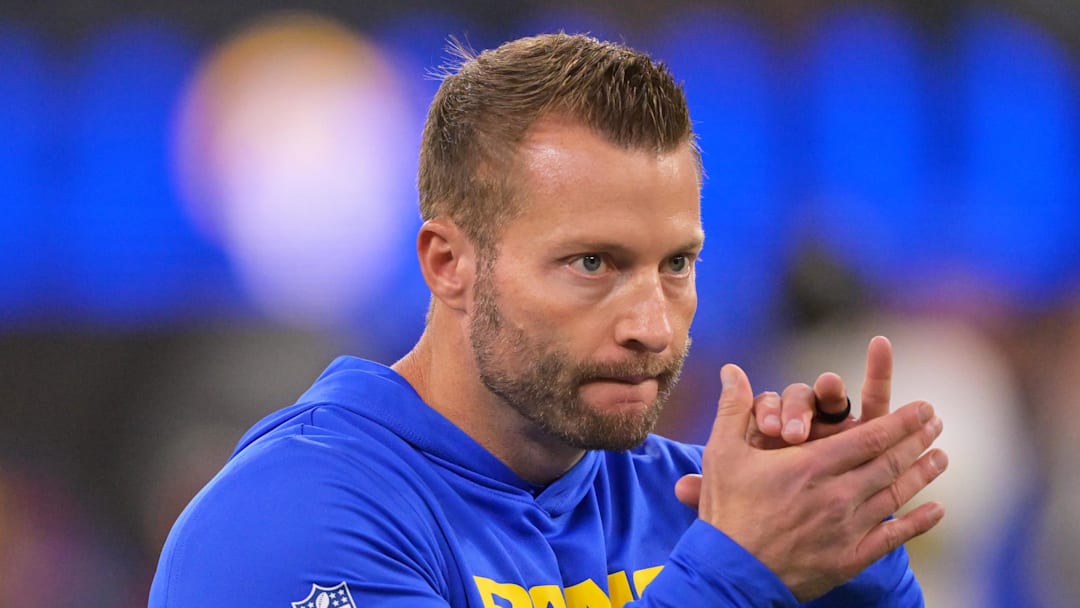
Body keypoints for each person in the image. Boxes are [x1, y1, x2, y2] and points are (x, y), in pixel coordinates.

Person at [149, 33, 947, 607]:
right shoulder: (293, 519)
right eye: (592, 264)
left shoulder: (691, 502)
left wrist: (857, 583)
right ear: (448, 264)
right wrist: (736, 578)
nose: (652, 327)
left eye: (676, 265)